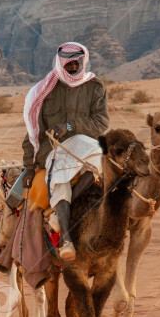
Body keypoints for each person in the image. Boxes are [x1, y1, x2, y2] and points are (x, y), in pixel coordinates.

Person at [21, 42, 109, 260]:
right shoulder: (45, 90)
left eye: (75, 63)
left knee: (102, 160)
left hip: (86, 148)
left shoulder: (94, 87)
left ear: (83, 61)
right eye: (67, 63)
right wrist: (29, 167)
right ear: (60, 63)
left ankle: (66, 211)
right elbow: (33, 131)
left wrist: (70, 126)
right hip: (54, 150)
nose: (71, 67)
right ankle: (67, 239)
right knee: (57, 178)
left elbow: (101, 122)